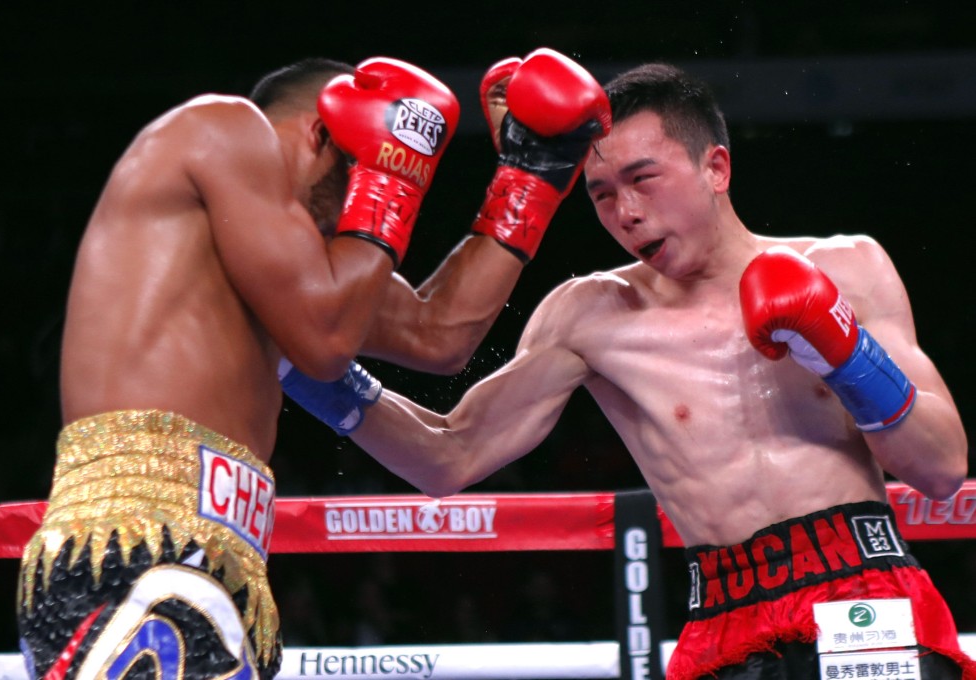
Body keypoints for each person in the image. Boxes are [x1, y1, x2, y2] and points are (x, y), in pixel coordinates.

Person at [284, 62, 975, 679]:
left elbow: (941, 467)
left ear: (716, 169)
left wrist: (845, 350)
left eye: (643, 179)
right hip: (725, 626)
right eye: (602, 194)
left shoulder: (848, 266)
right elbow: (449, 456)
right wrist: (296, 363)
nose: (627, 213)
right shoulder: (593, 314)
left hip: (866, 599)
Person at [15, 50, 610, 680]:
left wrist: (528, 179)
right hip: (134, 543)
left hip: (228, 565)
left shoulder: (291, 265)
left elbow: (439, 336)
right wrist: (392, 180)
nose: (360, 201)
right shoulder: (221, 128)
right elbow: (327, 346)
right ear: (325, 131)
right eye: (358, 171)